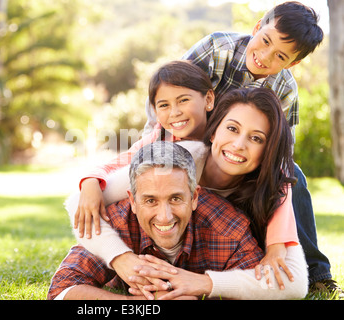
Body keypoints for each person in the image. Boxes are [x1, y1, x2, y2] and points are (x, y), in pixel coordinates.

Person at [140, 1, 340, 296]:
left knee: (292, 176)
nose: (264, 56)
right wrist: (153, 143)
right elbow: (168, 90)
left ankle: (315, 270)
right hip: (189, 145)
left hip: (241, 160)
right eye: (265, 41)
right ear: (257, 26)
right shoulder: (217, 48)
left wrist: (276, 242)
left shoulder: (284, 90)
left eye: (280, 56)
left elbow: (280, 158)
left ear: (292, 63)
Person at [68, 87, 308, 299]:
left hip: (222, 258)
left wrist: (205, 283)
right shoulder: (179, 160)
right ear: (213, 132)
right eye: (232, 128)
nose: (239, 144)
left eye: (256, 138)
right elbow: (79, 204)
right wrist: (121, 259)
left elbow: (295, 285)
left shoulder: (271, 191)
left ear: (268, 150)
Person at [48, 142, 308, 300]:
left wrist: (202, 288)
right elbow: (61, 291)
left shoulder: (229, 229)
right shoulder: (115, 221)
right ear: (133, 200)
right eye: (150, 200)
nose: (164, 216)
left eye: (175, 199)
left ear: (195, 196)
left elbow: (269, 287)